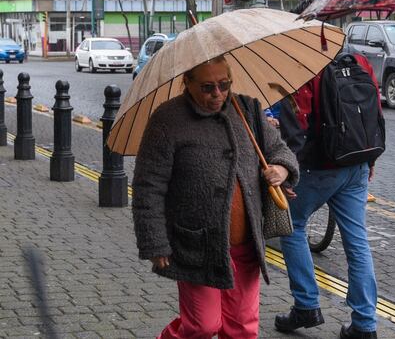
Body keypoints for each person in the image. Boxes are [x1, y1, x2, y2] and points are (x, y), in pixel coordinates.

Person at [132, 56, 300, 339]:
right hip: (196, 245)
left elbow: (279, 150)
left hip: (246, 244)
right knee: (202, 326)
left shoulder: (247, 109)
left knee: (242, 329)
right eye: (208, 87)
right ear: (187, 82)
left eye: (224, 85)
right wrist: (155, 242)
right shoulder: (167, 119)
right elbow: (148, 186)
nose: (218, 94)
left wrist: (281, 170)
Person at [275, 53, 382, 339]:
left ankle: (306, 305)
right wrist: (369, 162)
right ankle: (365, 323)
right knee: (357, 241)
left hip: (319, 167)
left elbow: (296, 125)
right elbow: (373, 114)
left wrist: (288, 172)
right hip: (357, 161)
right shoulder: (359, 61)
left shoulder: (303, 67)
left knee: (291, 225)